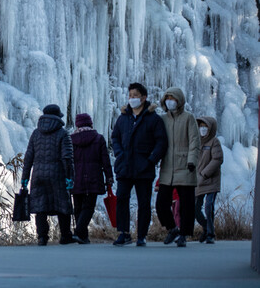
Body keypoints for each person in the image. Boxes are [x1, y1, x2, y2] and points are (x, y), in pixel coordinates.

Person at [110, 82, 167, 246]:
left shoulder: (153, 119)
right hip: (125, 166)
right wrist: (119, 153)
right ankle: (123, 232)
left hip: (144, 167)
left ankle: (141, 235)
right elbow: (115, 137)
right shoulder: (123, 118)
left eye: (135, 96)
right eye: (130, 96)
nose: (132, 99)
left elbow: (161, 142)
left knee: (144, 203)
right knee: (121, 199)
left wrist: (151, 160)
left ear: (144, 98)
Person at [22, 104, 75, 245]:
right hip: (57, 174)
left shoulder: (35, 133)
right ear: (58, 117)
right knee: (62, 205)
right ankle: (65, 236)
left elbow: (28, 157)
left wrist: (25, 178)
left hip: (38, 174)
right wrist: (69, 177)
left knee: (41, 206)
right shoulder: (63, 134)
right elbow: (67, 158)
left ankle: (42, 237)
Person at [156, 87, 200, 247]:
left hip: (185, 166)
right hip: (167, 166)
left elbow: (195, 141)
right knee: (161, 203)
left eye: (173, 98)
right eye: (167, 98)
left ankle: (184, 234)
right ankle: (172, 228)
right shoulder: (162, 119)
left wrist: (192, 161)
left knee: (187, 205)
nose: (170, 102)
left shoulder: (189, 118)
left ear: (179, 100)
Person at [70, 112, 113, 244]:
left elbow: (68, 160)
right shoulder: (98, 138)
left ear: (77, 125)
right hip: (94, 177)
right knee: (88, 207)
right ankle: (80, 233)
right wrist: (109, 177)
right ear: (90, 123)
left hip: (76, 178)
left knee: (78, 207)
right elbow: (105, 160)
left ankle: (82, 236)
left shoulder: (71, 139)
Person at [194, 116, 222, 244]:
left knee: (208, 206)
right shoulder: (196, 142)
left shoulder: (214, 142)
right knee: (195, 208)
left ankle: (211, 234)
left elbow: (217, 159)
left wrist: (205, 173)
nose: (203, 129)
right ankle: (206, 227)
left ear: (210, 128)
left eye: (205, 126)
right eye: (200, 126)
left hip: (211, 180)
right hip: (198, 181)